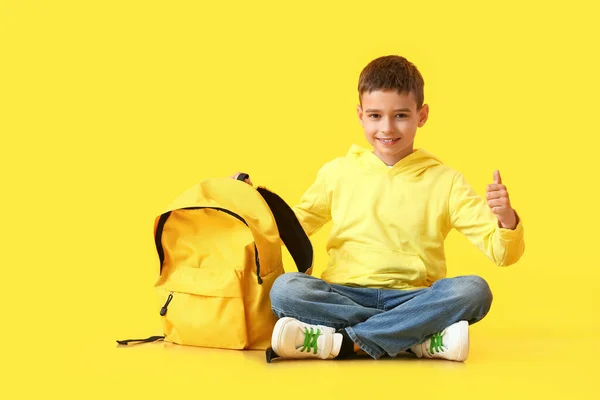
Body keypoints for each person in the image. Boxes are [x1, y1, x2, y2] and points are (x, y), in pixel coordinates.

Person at [232, 55, 524, 362]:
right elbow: (291, 230)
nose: (386, 127)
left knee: (474, 291)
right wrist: (249, 200)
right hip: (344, 294)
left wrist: (506, 220)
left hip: (414, 298)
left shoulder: (446, 181)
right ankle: (412, 339)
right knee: (286, 290)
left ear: (421, 115)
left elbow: (503, 254)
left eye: (400, 115)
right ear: (360, 115)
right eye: (374, 116)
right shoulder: (337, 172)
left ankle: (344, 343)